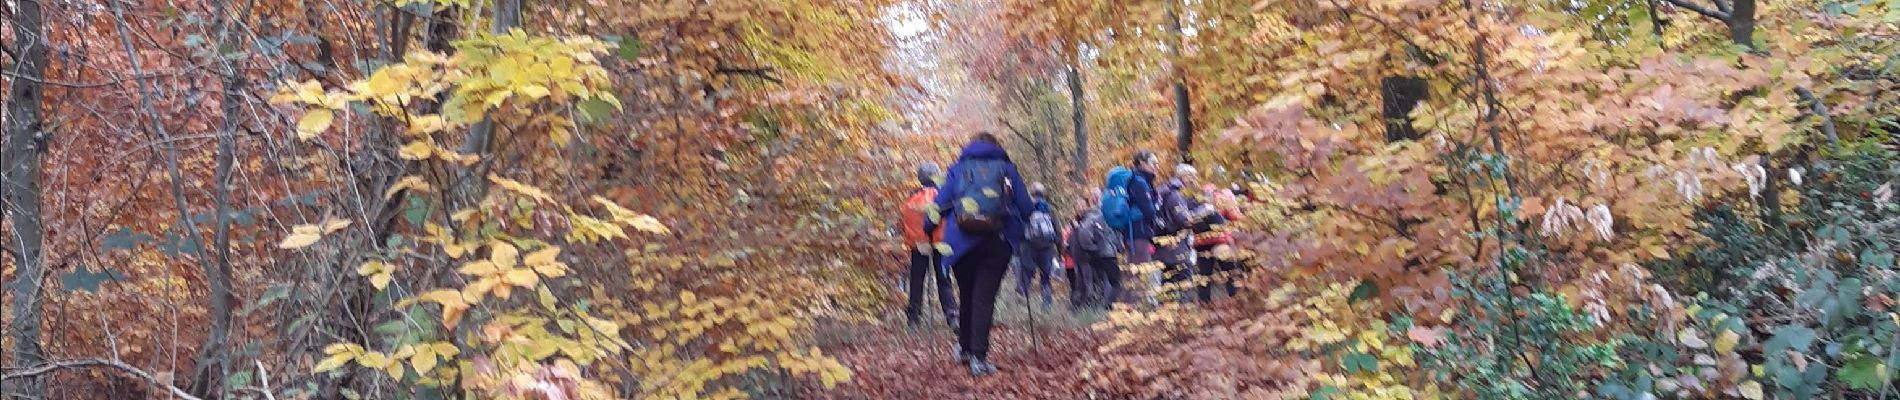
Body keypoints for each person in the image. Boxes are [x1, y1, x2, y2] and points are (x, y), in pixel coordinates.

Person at [933, 132, 1035, 377]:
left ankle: (965, 348)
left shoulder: (958, 168)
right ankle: (978, 357)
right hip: (996, 242)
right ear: (996, 146)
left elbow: (941, 203)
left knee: (967, 294)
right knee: (984, 298)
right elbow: (1026, 206)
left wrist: (928, 226)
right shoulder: (1007, 168)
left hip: (961, 242)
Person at [901, 162, 958, 329]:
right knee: (944, 280)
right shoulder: (942, 195)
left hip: (919, 245)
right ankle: (952, 315)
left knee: (917, 280)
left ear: (920, 178)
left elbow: (906, 223)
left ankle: (913, 319)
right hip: (941, 242)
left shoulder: (913, 197)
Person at [1154, 164, 1204, 303]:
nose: (1194, 180)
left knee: (1167, 283)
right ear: (1183, 176)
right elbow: (1185, 220)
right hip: (1177, 247)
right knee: (1184, 282)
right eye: (1192, 176)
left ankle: (1164, 317)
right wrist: (1203, 210)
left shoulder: (1164, 190)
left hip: (1163, 245)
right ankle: (1184, 314)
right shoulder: (1175, 194)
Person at [1125, 151, 1162, 304]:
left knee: (1134, 270)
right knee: (1140, 270)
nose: (1157, 167)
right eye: (1153, 163)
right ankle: (1135, 309)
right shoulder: (1139, 182)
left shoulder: (1140, 181)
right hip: (1138, 231)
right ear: (1142, 163)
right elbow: (1149, 210)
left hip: (1135, 231)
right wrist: (1156, 208)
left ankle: (1130, 308)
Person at [1194, 183, 1242, 302]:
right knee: (1230, 271)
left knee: (1204, 276)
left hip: (1202, 242)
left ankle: (1204, 305)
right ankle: (1236, 299)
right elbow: (1236, 217)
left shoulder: (1195, 201)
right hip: (1220, 241)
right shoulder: (1223, 198)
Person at [1017, 183, 1059, 306]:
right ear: (1044, 194)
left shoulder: (1025, 207)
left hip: (1028, 247)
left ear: (1032, 193)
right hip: (1046, 248)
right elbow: (1057, 231)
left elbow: (1019, 227)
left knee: (1026, 277)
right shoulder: (1049, 209)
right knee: (1045, 279)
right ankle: (1047, 307)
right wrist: (1059, 251)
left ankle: (1024, 307)